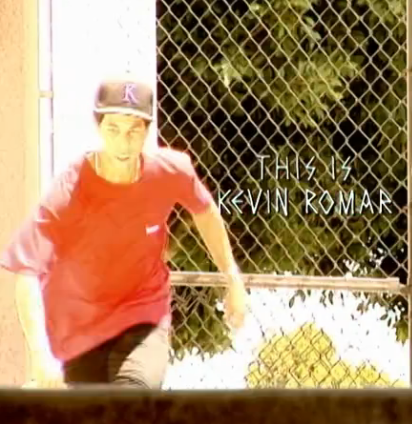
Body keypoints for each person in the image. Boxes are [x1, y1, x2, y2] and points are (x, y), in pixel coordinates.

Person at [0, 76, 248, 389]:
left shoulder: (170, 170)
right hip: (81, 327)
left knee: (132, 395)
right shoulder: (70, 190)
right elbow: (26, 272)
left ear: (146, 132)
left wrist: (232, 277)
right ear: (99, 128)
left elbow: (205, 211)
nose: (124, 142)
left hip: (142, 316)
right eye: (114, 129)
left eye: (134, 131)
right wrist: (40, 356)